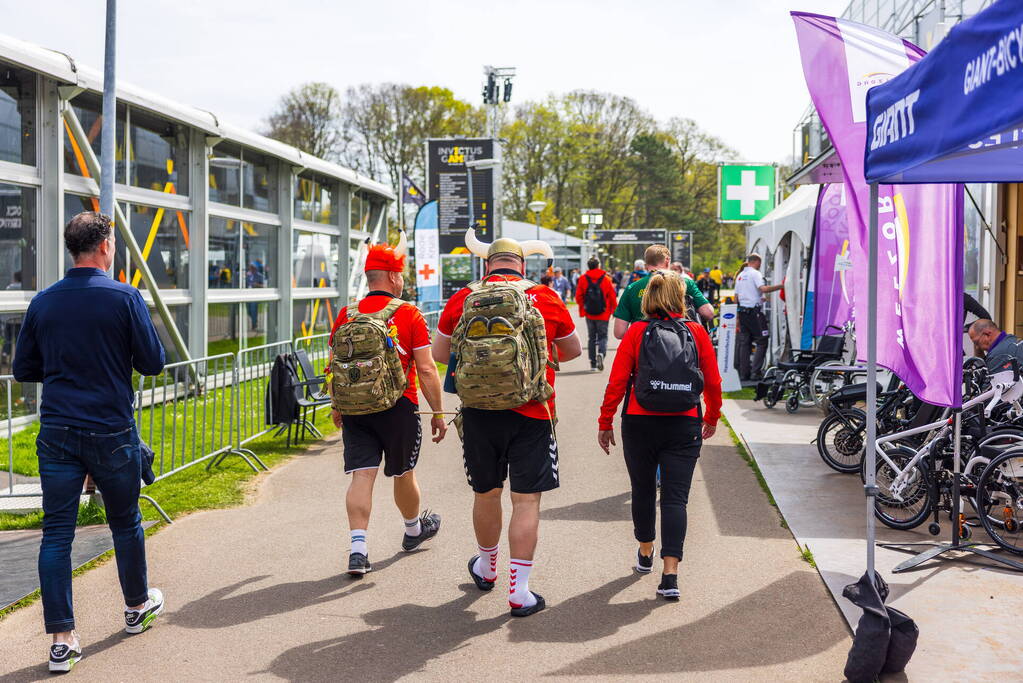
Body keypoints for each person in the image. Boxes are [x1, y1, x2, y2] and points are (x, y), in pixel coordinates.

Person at [13, 212, 166, 672]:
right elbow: (153, 362)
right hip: (111, 429)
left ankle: (62, 641)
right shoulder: (124, 297)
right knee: (126, 522)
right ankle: (137, 607)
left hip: (58, 430)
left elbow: (24, 369)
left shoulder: (43, 302)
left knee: (56, 533)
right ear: (104, 246)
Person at [433, 229, 581, 617]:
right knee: (526, 500)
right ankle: (520, 591)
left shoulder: (464, 296)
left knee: (486, 494)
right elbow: (573, 349)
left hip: (479, 412)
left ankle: (486, 567)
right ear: (523, 264)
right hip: (533, 410)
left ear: (487, 265)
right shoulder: (544, 295)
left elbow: (440, 353)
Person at [597, 270, 721, 600]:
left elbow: (617, 381)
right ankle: (670, 575)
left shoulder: (637, 331)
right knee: (675, 498)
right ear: (681, 298)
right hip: (685, 422)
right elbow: (712, 380)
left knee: (642, 490)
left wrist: (605, 421)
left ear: (649, 298)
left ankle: (645, 551)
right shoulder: (696, 331)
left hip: (639, 422)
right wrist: (711, 416)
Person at [329, 232, 447, 577]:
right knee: (403, 472)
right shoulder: (409, 314)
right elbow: (426, 369)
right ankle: (413, 529)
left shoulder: (346, 314)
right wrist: (438, 412)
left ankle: (358, 550)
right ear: (394, 277)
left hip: (355, 409)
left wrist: (337, 405)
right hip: (399, 406)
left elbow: (334, 364)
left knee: (362, 475)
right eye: (402, 274)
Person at [613, 245, 714, 340]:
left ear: (646, 264)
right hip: (681, 345)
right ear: (667, 260)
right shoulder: (685, 283)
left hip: (643, 347)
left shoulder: (632, 288)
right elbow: (708, 313)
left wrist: (639, 336)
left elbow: (619, 332)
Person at [734, 253, 783, 381]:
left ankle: (744, 374)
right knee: (762, 340)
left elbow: (736, 298)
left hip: (743, 312)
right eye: (760, 263)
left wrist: (737, 316)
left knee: (745, 343)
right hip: (754, 313)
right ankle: (755, 372)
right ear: (757, 262)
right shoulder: (755, 274)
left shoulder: (740, 275)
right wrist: (782, 285)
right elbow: (764, 289)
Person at [575, 256, 618, 372]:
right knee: (603, 336)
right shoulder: (606, 279)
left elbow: (578, 296)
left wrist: (584, 308)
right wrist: (614, 311)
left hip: (589, 313)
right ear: (599, 266)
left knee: (592, 338)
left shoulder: (583, 279)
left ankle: (593, 364)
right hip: (604, 313)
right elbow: (612, 296)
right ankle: (601, 353)